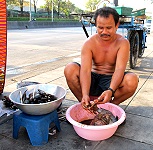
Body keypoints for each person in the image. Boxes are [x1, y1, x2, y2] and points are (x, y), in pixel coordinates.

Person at [64, 7, 138, 108]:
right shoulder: (89, 43)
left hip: (110, 80)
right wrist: (85, 94)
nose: (104, 32)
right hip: (92, 78)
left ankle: (111, 106)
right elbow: (85, 70)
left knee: (132, 80)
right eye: (100, 28)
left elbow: (119, 69)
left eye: (109, 28)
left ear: (117, 25)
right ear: (96, 26)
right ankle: (84, 103)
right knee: (70, 69)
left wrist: (111, 90)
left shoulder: (123, 43)